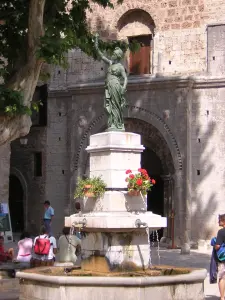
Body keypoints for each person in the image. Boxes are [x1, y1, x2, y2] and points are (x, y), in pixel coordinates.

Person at [94, 33, 128, 131]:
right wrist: (96, 43)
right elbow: (100, 55)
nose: (112, 55)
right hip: (108, 86)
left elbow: (125, 78)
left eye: (113, 54)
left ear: (117, 56)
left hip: (116, 85)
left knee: (115, 105)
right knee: (107, 105)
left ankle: (116, 124)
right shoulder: (110, 63)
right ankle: (112, 123)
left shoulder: (120, 67)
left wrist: (123, 88)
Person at [214, 214, 225, 300]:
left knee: (222, 277)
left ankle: (222, 297)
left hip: (223, 259)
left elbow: (218, 245)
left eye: (220, 220)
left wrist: (214, 246)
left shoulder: (221, 232)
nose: (218, 222)